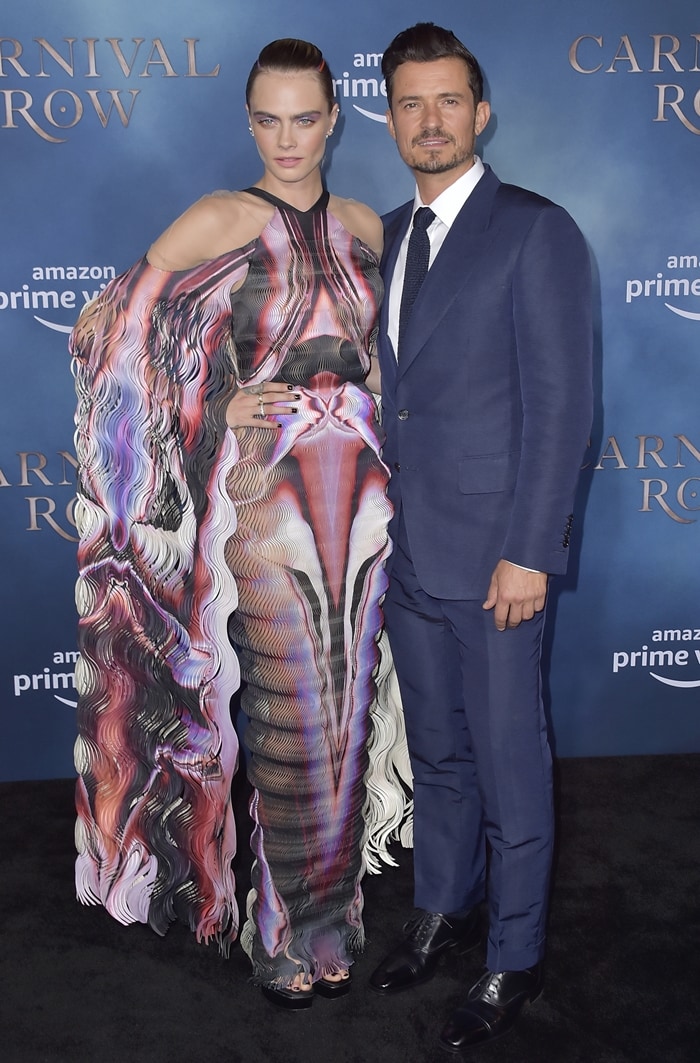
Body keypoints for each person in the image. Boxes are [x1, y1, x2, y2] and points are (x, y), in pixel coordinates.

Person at [71, 37, 410, 1011]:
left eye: (306, 117)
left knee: (345, 725)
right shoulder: (221, 215)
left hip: (366, 513)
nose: (288, 137)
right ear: (250, 120)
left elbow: (393, 356)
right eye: (269, 118)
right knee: (292, 723)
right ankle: (279, 931)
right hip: (266, 514)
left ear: (335, 118)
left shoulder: (359, 226)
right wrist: (217, 403)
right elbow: (109, 332)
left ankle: (332, 919)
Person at [368, 22, 593, 1051]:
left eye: (447, 100)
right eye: (410, 102)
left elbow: (561, 410)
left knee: (509, 763)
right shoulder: (382, 237)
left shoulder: (535, 231)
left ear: (480, 110)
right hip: (406, 556)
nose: (429, 120)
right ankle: (443, 910)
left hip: (495, 560)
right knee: (442, 754)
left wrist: (530, 549)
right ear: (388, 116)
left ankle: (512, 955)